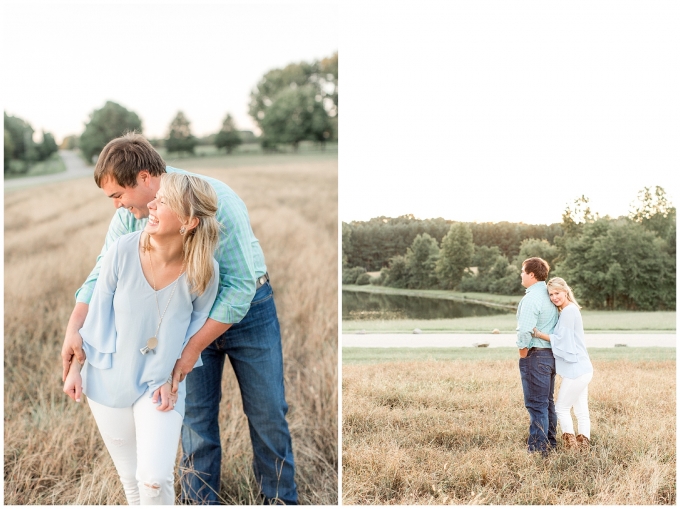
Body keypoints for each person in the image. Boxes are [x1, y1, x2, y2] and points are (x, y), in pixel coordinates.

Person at [61, 133, 297, 505]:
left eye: (118, 195)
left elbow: (237, 291)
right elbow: (101, 273)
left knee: (268, 414)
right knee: (196, 424)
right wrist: (75, 327)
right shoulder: (131, 219)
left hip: (248, 313)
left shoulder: (216, 201)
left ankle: (281, 500)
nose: (118, 206)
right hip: (180, 320)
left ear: (143, 178)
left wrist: (187, 354)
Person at [63, 173, 220, 504]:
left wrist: (172, 372)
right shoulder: (121, 250)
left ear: (189, 222)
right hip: (106, 379)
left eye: (162, 201)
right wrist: (76, 368)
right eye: (156, 197)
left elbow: (196, 326)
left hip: (159, 384)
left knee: (153, 478)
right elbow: (97, 316)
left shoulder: (204, 270)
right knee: (132, 481)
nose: (151, 204)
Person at [532, 277, 593, 451]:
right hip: (582, 367)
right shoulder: (569, 310)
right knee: (581, 410)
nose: (554, 297)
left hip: (577, 369)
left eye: (557, 293)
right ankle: (584, 448)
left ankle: (572, 446)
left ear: (565, 291)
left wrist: (538, 334)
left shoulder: (568, 311)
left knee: (561, 408)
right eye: (551, 294)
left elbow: (562, 340)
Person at [516, 257, 559, 455]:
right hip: (550, 356)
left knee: (536, 404)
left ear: (531, 274)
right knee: (547, 402)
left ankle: (538, 449)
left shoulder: (532, 297)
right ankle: (551, 442)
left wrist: (523, 354)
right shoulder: (548, 294)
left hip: (536, 354)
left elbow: (525, 330)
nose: (521, 275)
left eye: (523, 271)